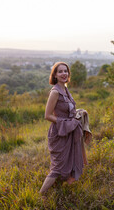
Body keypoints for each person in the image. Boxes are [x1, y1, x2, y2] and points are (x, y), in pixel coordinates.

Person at [39, 62, 88, 195]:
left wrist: (78, 113)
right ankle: (40, 195)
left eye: (65, 71)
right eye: (60, 71)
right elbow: (47, 115)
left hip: (69, 132)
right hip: (59, 133)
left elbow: (67, 111)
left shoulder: (65, 89)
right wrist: (66, 122)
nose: (64, 74)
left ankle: (60, 191)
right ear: (55, 75)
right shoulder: (55, 92)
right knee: (57, 167)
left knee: (67, 163)